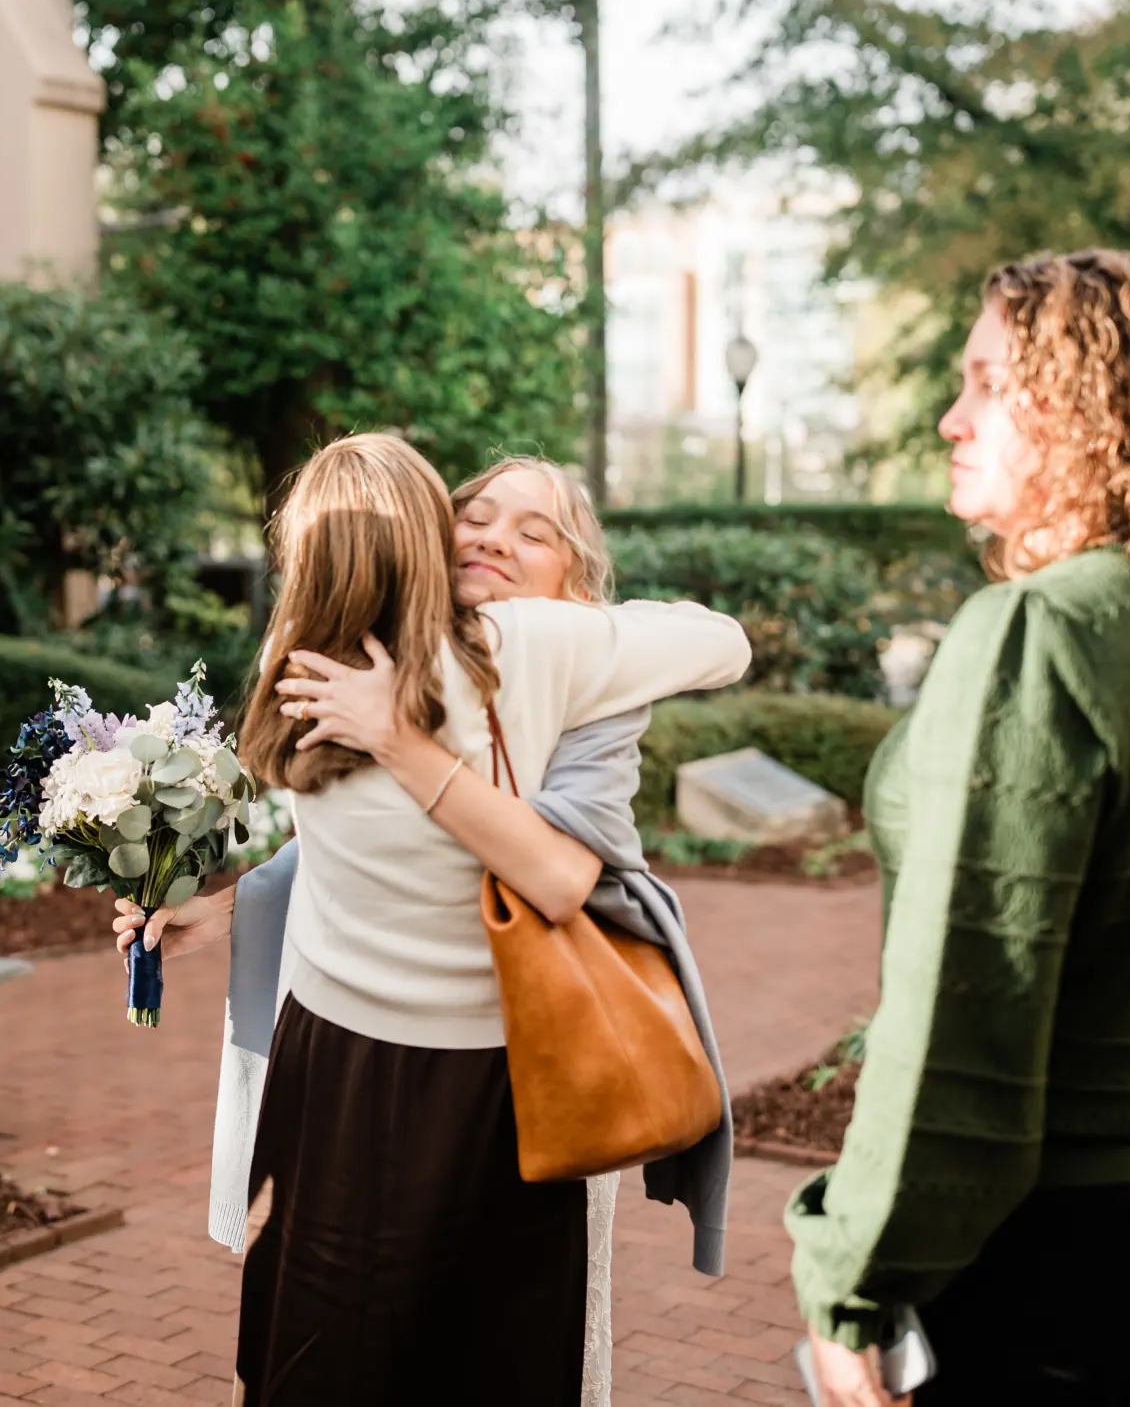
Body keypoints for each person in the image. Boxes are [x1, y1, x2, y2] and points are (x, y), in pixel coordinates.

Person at [786, 249, 1130, 1407]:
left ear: (1093, 406)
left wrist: (852, 1283)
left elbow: (963, 1022)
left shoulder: (1039, 632)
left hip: (1064, 1264)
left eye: (989, 384)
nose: (951, 417)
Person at [145, 433, 747, 1405]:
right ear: (433, 529)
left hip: (402, 1058)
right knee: (482, 1348)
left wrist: (405, 735)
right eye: (477, 517)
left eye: (534, 531)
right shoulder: (534, 648)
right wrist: (220, 910)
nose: (497, 539)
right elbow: (722, 642)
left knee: (326, 1341)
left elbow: (407, 838)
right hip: (465, 1067)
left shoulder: (302, 658)